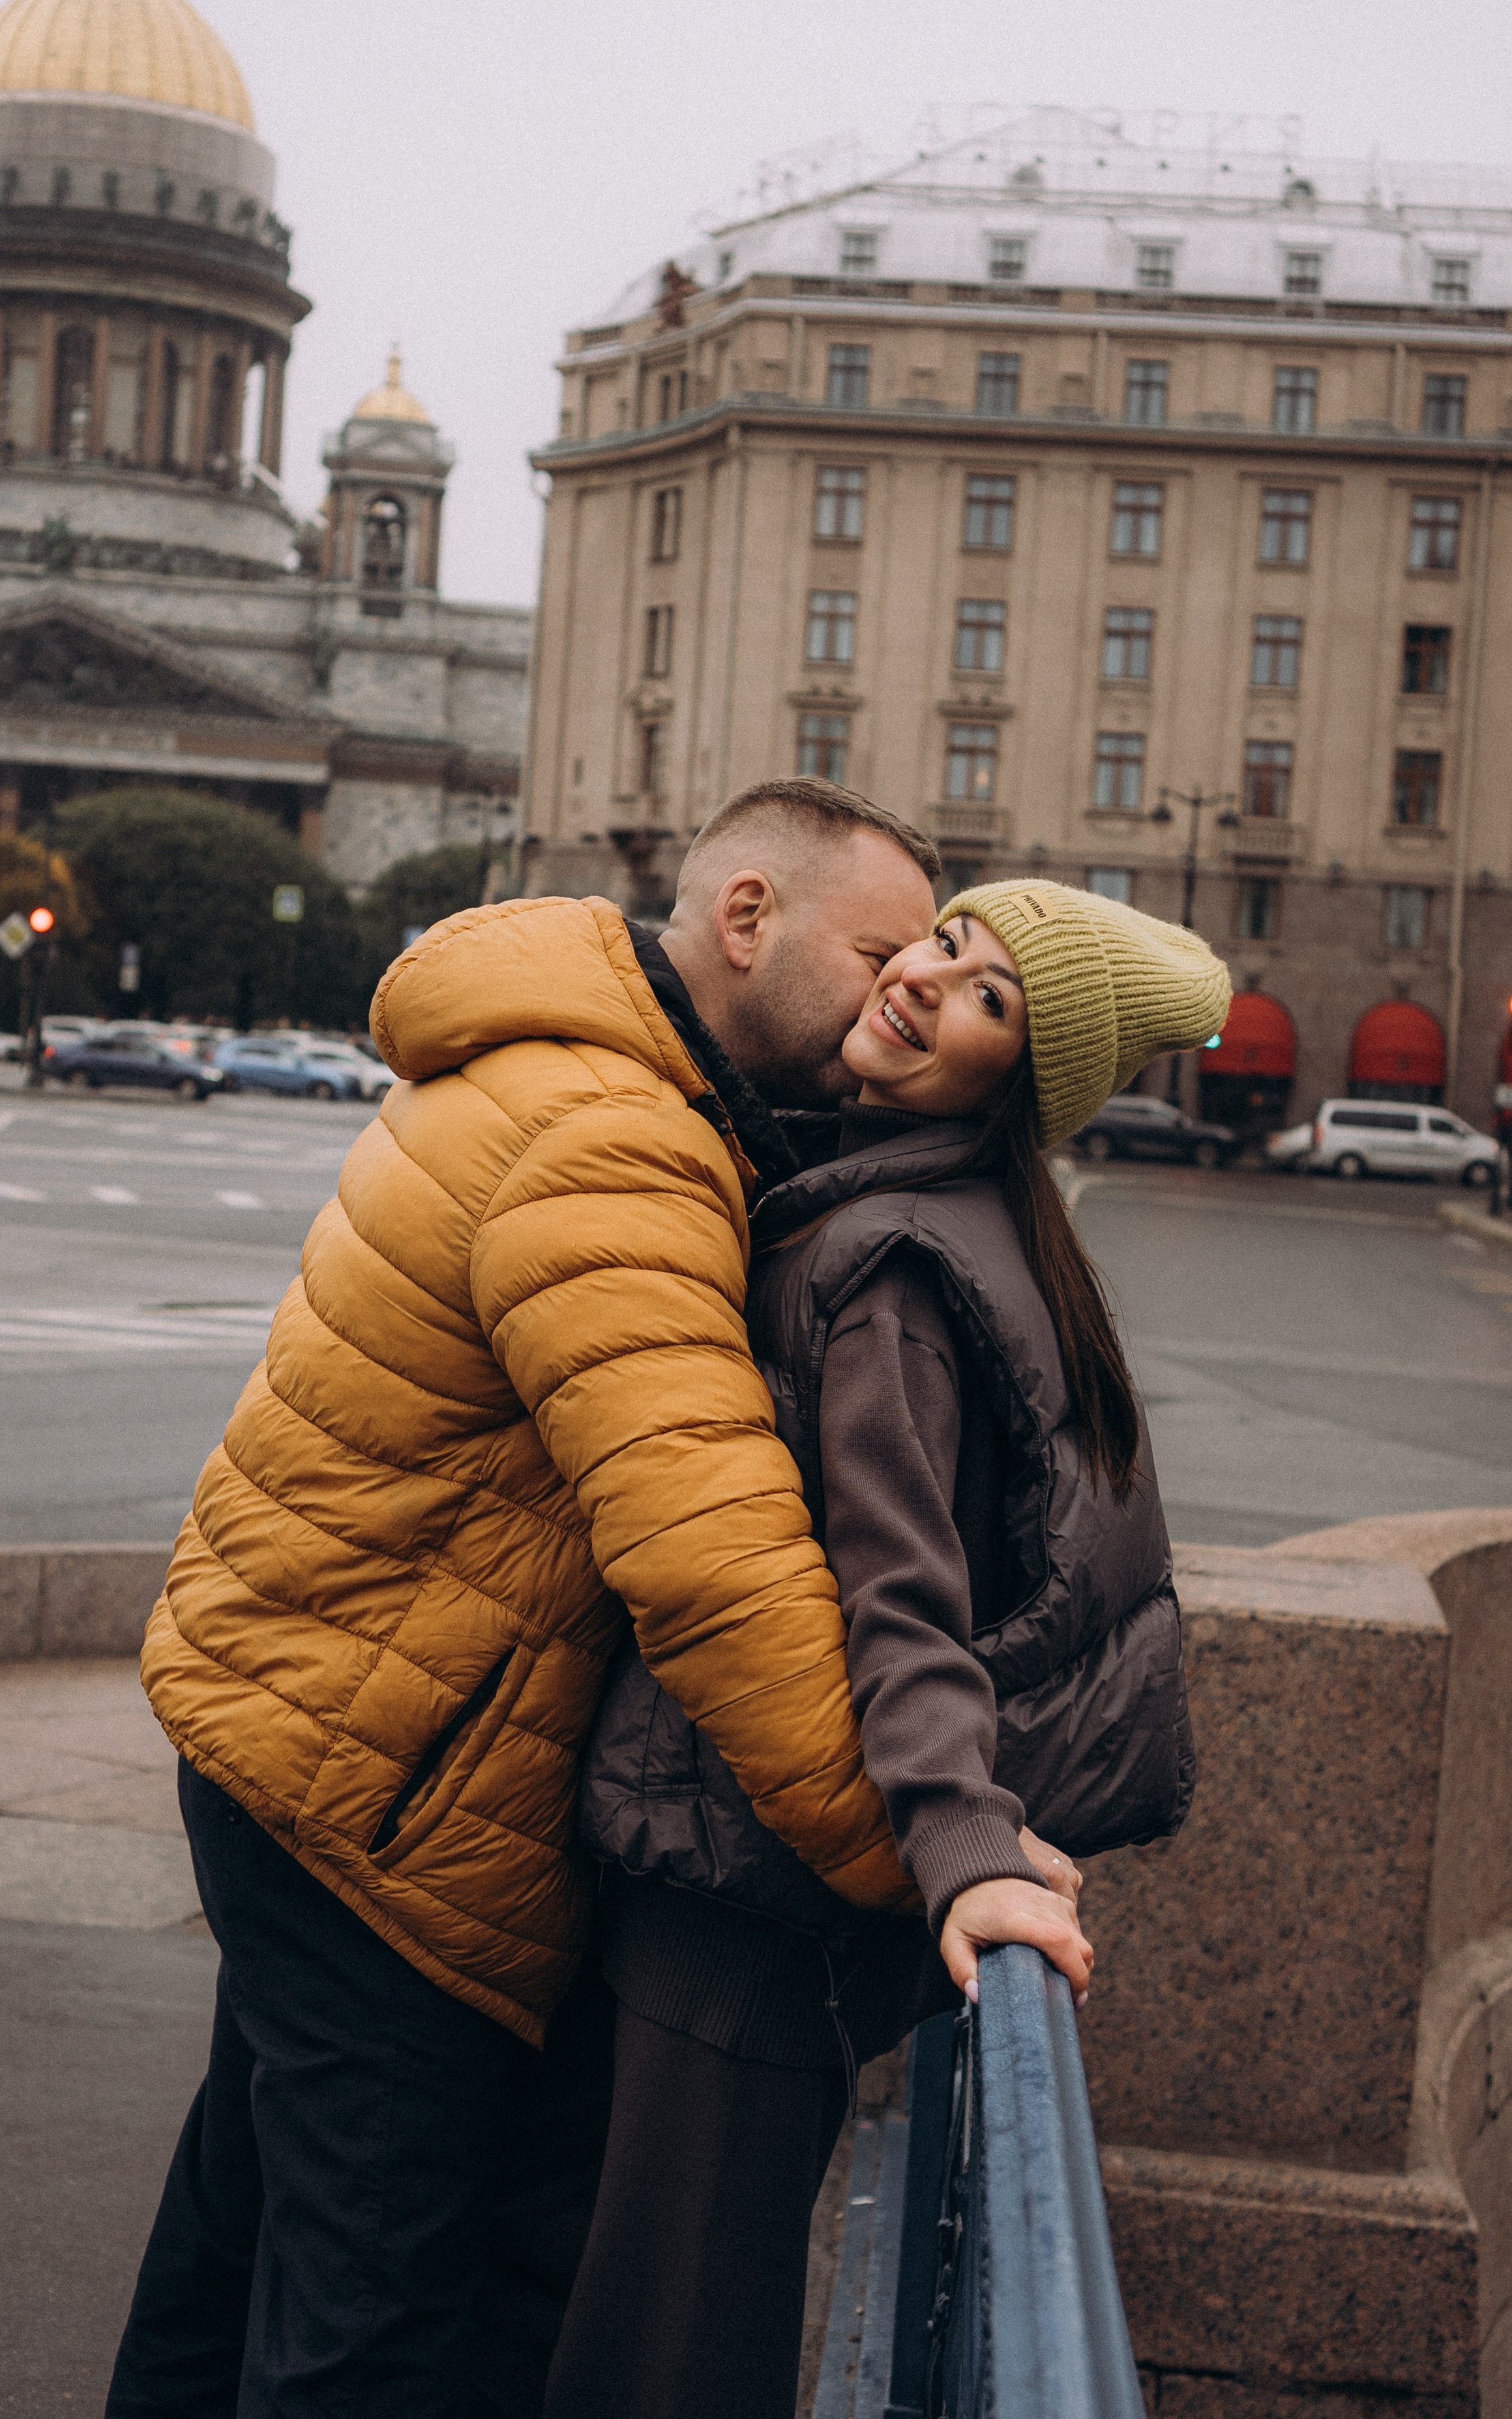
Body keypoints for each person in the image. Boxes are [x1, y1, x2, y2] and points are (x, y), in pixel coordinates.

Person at [105, 779, 943, 2419]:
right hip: (386, 1795)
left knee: (242, 2233)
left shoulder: (586, 1070)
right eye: (878, 951)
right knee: (368, 2317)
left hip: (308, 1734)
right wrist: (896, 1852)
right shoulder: (611, 1141)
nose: (895, 993)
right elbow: (706, 1548)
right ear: (746, 919)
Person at [555, 877, 1231, 2419]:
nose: (928, 983)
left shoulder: (890, 1263)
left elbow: (900, 1596)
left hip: (735, 1892)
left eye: (990, 997)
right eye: (943, 946)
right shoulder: (946, 1221)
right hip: (762, 1878)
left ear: (1019, 1083)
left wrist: (961, 1837)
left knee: (663, 2344)